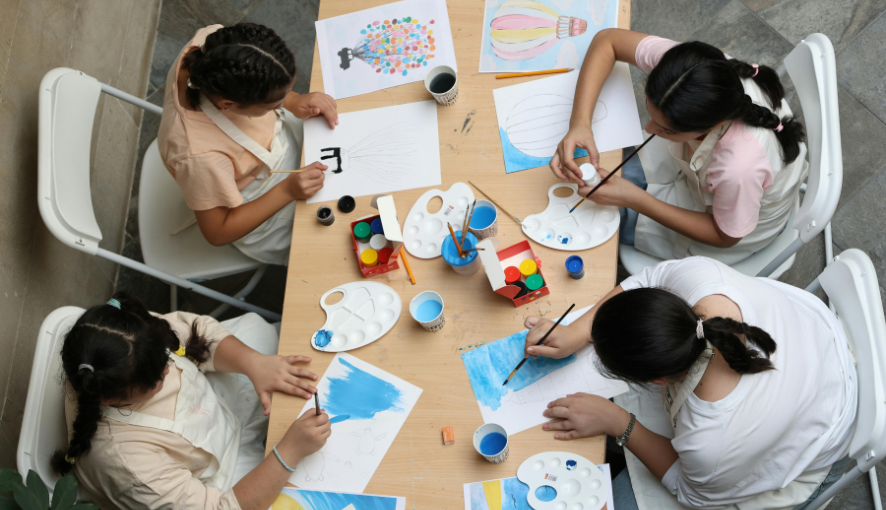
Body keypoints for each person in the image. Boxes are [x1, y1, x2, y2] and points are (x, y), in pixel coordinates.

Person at [523, 257, 856, 509]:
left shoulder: (711, 439)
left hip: (823, 433)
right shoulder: (702, 281)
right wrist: (579, 330)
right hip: (812, 340)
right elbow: (648, 279)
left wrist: (618, 422)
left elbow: (690, 492)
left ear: (658, 380)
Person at [550, 29, 807, 264]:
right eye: (651, 112)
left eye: (667, 130)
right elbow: (608, 41)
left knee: (607, 214)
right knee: (613, 169)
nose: (649, 129)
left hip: (733, 223)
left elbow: (725, 236)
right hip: (712, 172)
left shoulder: (739, 167)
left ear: (712, 125)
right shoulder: (688, 72)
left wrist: (636, 200)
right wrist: (579, 123)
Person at [51, 293, 330, 510]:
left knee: (266, 337)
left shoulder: (126, 337)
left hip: (215, 405)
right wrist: (288, 452)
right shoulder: (127, 464)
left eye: (165, 359)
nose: (168, 369)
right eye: (156, 380)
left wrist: (254, 363)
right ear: (109, 399)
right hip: (217, 476)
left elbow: (198, 334)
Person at [158, 23, 338, 266]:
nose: (282, 102)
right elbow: (217, 232)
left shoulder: (214, 44)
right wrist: (287, 191)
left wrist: (293, 100)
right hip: (258, 200)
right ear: (227, 104)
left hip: (278, 142)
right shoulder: (199, 156)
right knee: (331, 240)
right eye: (274, 103)